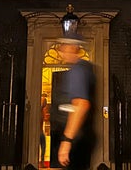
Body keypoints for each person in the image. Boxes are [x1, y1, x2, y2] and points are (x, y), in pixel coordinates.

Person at [55, 33, 95, 170]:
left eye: (63, 46)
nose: (60, 50)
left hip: (76, 139)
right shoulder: (85, 68)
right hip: (81, 138)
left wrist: (67, 141)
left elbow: (81, 105)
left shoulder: (77, 71)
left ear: (72, 47)